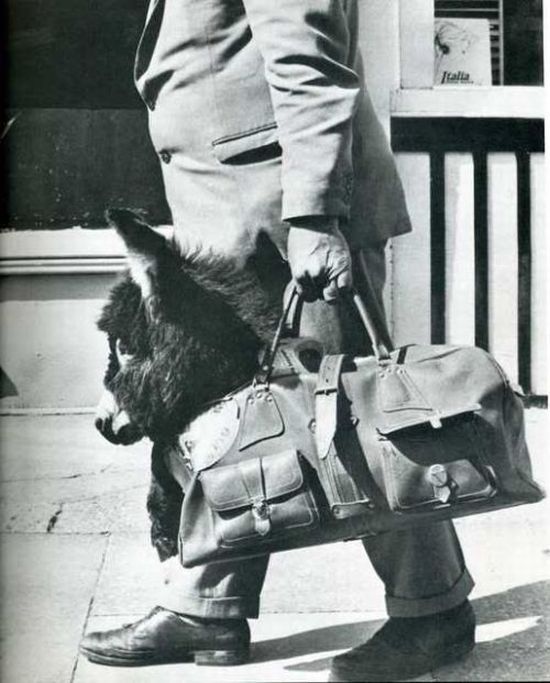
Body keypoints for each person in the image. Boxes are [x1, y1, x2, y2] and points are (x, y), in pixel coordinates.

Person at [80, 1, 476, 680]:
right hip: (237, 211)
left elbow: (307, 56)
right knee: (240, 419)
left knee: (355, 416)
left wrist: (316, 217)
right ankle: (209, 605)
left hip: (286, 215)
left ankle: (433, 606)